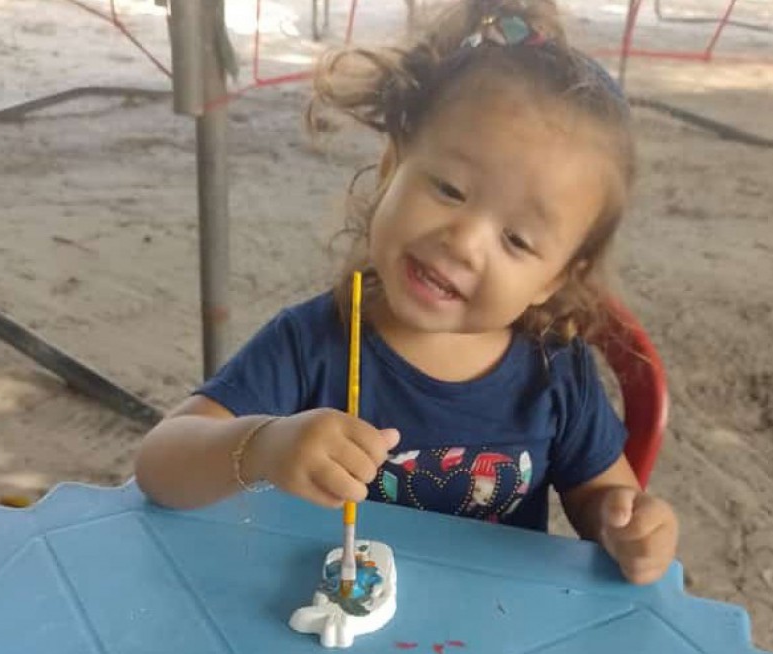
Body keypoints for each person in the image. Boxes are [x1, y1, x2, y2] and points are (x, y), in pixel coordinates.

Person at [135, 0, 678, 586]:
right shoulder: (311, 343)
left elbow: (602, 497)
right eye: (449, 188)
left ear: (556, 278)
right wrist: (263, 446)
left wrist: (628, 525)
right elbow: (160, 464)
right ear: (392, 167)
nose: (463, 241)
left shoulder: (556, 371)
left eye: (517, 239)